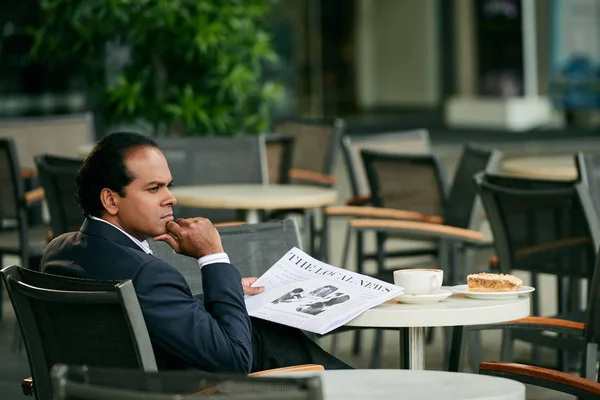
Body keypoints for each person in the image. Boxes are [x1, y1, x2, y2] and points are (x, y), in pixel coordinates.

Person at [41, 132, 350, 373]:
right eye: (154, 189)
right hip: (183, 388)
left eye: (168, 186)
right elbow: (235, 360)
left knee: (263, 330)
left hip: (104, 386)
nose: (170, 198)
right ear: (111, 200)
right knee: (268, 339)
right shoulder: (146, 274)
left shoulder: (60, 251)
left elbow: (144, 311)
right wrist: (212, 255)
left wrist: (224, 289)